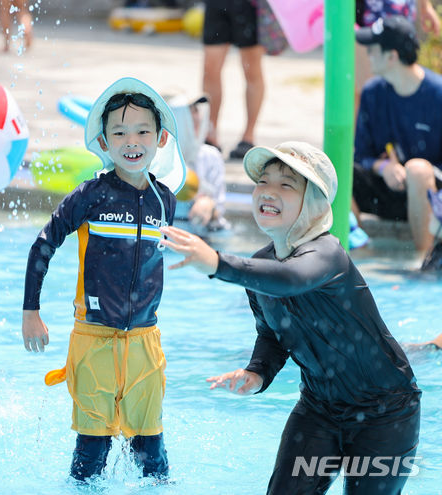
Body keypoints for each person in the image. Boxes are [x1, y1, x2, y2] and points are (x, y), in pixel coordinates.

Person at [160, 141, 421, 493]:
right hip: (319, 409)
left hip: (386, 413)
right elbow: (272, 334)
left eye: (286, 185)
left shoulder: (327, 255)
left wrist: (217, 263)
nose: (268, 192)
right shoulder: (260, 265)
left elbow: (291, 279)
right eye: (263, 182)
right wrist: (257, 371)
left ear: (314, 202)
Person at [22, 78, 186, 482]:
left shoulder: (165, 198)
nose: (132, 141)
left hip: (145, 343)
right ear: (104, 141)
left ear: (160, 138)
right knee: (92, 451)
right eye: (120, 132)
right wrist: (31, 312)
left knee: (152, 454)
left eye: (143, 131)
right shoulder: (90, 194)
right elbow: (44, 244)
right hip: (93, 340)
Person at [353, 15, 442, 254]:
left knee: (417, 170)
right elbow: (360, 156)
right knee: (337, 172)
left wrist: (416, 174)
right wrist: (383, 168)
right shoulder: (372, 92)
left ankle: (423, 258)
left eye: (372, 49)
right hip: (388, 192)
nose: (367, 54)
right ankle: (357, 258)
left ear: (391, 56)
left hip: (432, 197)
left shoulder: (438, 95)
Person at [202, 0, 265, 159]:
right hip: (217, 4)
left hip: (250, 5)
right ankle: (210, 133)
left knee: (251, 68)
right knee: (210, 67)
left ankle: (248, 137)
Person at [355, 0, 441, 114]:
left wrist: (425, 6)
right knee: (368, 94)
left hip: (400, 15)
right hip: (370, 21)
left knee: (402, 81)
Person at [167, 93, 229, 231]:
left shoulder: (210, 156)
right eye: (189, 112)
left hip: (203, 235)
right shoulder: (154, 158)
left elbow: (219, 209)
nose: (196, 117)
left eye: (196, 110)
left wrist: (208, 204)